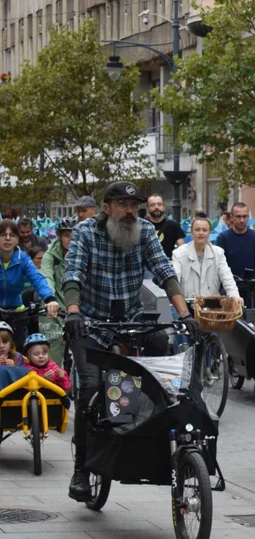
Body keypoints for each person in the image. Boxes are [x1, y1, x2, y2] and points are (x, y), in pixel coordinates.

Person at [62, 180, 202, 502]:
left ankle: (165, 441)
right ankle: (81, 469)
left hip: (132, 322)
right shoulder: (86, 233)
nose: (130, 212)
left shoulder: (145, 232)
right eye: (123, 205)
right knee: (89, 391)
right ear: (107, 207)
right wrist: (73, 313)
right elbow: (73, 275)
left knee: (167, 371)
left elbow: (164, 271)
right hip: (92, 324)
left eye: (134, 206)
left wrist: (185, 315)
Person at [0, 219, 61, 350]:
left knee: (21, 353)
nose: (8, 238)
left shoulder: (23, 259)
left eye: (12, 235)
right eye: (3, 235)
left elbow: (37, 278)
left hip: (17, 313)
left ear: (17, 240)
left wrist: (50, 299)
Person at [172, 215, 242, 300]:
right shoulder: (179, 253)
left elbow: (227, 278)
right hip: (187, 304)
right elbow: (175, 279)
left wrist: (235, 296)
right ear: (191, 232)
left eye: (205, 230)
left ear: (209, 233)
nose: (201, 233)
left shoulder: (218, 253)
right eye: (197, 230)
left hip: (212, 306)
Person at [41, 217, 76, 364]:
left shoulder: (84, 251)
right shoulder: (51, 255)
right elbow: (46, 275)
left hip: (77, 306)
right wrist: (50, 299)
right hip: (56, 305)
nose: (70, 239)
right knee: (53, 344)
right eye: (67, 235)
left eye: (73, 235)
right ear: (60, 236)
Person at [216, 202, 255, 281]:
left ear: (248, 217)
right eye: (238, 217)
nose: (242, 220)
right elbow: (218, 262)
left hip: (251, 286)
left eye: (244, 216)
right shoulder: (223, 238)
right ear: (231, 217)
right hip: (228, 286)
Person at [146, 194, 185, 259]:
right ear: (148, 209)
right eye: (152, 205)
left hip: (168, 264)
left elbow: (182, 249)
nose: (156, 207)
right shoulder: (143, 226)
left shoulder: (173, 225)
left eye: (159, 204)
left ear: (164, 208)